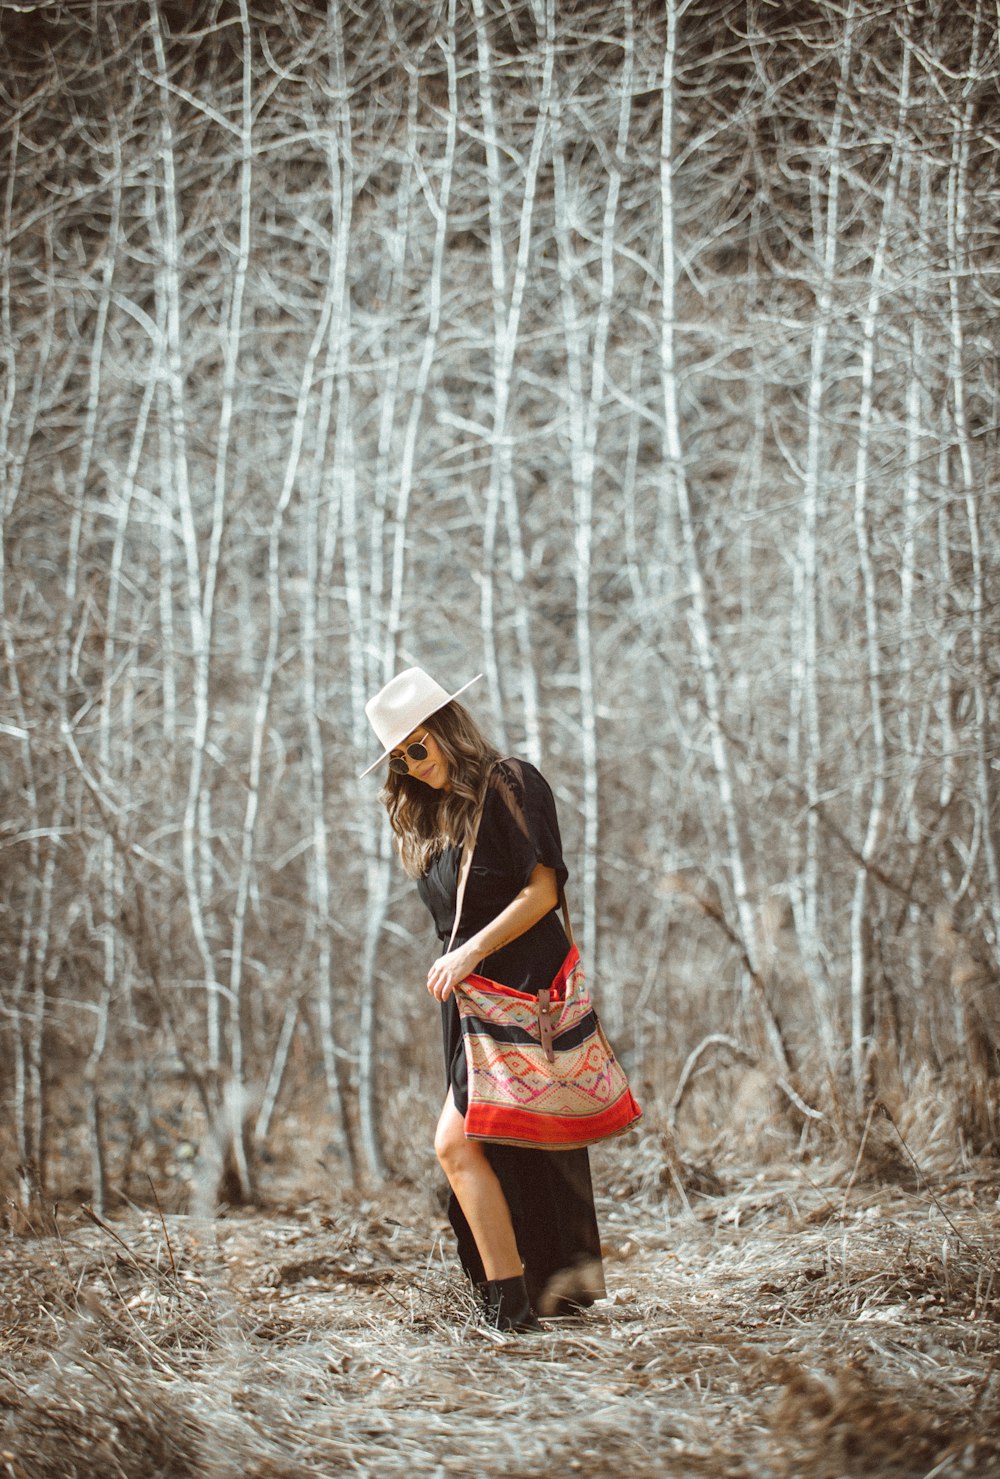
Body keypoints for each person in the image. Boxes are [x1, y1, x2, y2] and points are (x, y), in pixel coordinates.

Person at [361, 666, 606, 1333]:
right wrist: (457, 960)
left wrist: (469, 951)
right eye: (400, 758)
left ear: (445, 728)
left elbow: (543, 891)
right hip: (470, 1006)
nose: (413, 764)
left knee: (458, 1142)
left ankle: (516, 1307)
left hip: (521, 987)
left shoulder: (512, 782)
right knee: (485, 1147)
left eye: (420, 745)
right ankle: (516, 1307)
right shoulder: (435, 817)